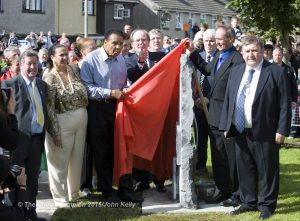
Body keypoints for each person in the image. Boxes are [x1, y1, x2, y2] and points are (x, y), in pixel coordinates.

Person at [219, 35, 291, 220]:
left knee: (267, 170)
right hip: (240, 129)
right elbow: (229, 99)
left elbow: (284, 104)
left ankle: (267, 205)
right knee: (244, 168)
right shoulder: (236, 71)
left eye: (254, 50)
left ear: (261, 52)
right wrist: (226, 124)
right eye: (247, 51)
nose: (251, 54)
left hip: (266, 130)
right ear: (241, 53)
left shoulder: (275, 71)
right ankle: (248, 201)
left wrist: (282, 129)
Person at [80, 29, 142, 203]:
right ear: (105, 42)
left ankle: (124, 189)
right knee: (102, 150)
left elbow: (123, 82)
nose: (117, 47)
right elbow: (87, 88)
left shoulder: (121, 59)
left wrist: (127, 87)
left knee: (121, 148)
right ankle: (107, 190)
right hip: (98, 109)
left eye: (121, 44)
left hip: (118, 109)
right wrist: (110, 93)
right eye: (114, 43)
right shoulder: (90, 60)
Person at [190, 25, 244, 206]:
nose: (218, 43)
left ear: (231, 39)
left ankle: (236, 193)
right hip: (214, 115)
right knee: (218, 156)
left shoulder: (237, 60)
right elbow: (206, 69)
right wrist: (191, 53)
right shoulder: (219, 56)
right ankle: (222, 189)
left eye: (221, 39)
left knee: (231, 158)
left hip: (228, 117)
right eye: (217, 39)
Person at [1, 50, 47, 221]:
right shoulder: (9, 85)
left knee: (32, 180)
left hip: (36, 139)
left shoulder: (42, 85)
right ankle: (12, 213)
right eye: (29, 63)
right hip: (17, 141)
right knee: (14, 179)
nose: (33, 67)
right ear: (20, 65)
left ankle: (30, 212)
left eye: (35, 63)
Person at [42, 44, 88, 208]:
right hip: (62, 121)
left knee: (77, 158)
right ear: (52, 57)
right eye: (61, 55)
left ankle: (73, 193)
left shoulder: (74, 70)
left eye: (66, 54)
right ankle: (60, 198)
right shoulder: (49, 77)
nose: (64, 57)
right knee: (59, 160)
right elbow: (48, 108)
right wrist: (55, 132)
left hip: (81, 118)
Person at [126, 29, 166, 192]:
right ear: (132, 44)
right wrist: (141, 63)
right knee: (140, 147)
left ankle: (159, 179)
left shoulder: (160, 58)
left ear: (149, 42)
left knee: (157, 145)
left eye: (144, 40)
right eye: (138, 41)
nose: (141, 43)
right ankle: (141, 179)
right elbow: (130, 76)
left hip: (157, 111)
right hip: (138, 113)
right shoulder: (127, 60)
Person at [192, 29, 217, 175]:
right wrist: (196, 98)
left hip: (214, 105)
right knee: (200, 139)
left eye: (212, 40)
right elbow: (192, 80)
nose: (209, 43)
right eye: (206, 40)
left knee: (214, 140)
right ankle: (201, 167)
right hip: (198, 105)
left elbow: (220, 83)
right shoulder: (197, 57)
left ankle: (218, 168)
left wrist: (208, 98)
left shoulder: (219, 59)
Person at [272, 47, 298, 138]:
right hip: (272, 100)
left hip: (286, 100)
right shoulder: (268, 69)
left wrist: (294, 100)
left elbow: (294, 86)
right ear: (273, 55)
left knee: (284, 119)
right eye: (275, 55)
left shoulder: (289, 69)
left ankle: (282, 135)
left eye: (279, 55)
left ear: (282, 55)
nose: (277, 57)